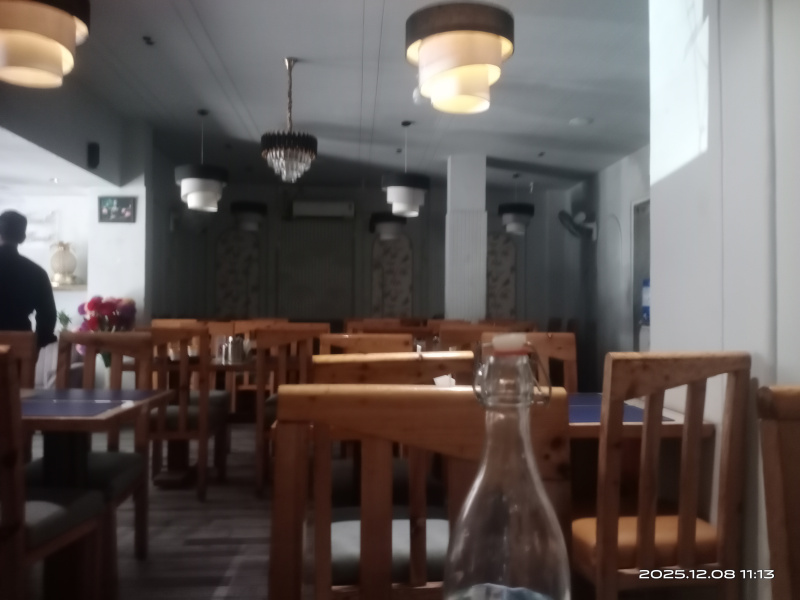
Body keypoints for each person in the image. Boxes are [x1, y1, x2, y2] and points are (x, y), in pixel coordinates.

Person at [0, 210, 57, 348]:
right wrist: (36, 344)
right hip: (19, 345)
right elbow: (48, 315)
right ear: (23, 237)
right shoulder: (37, 272)